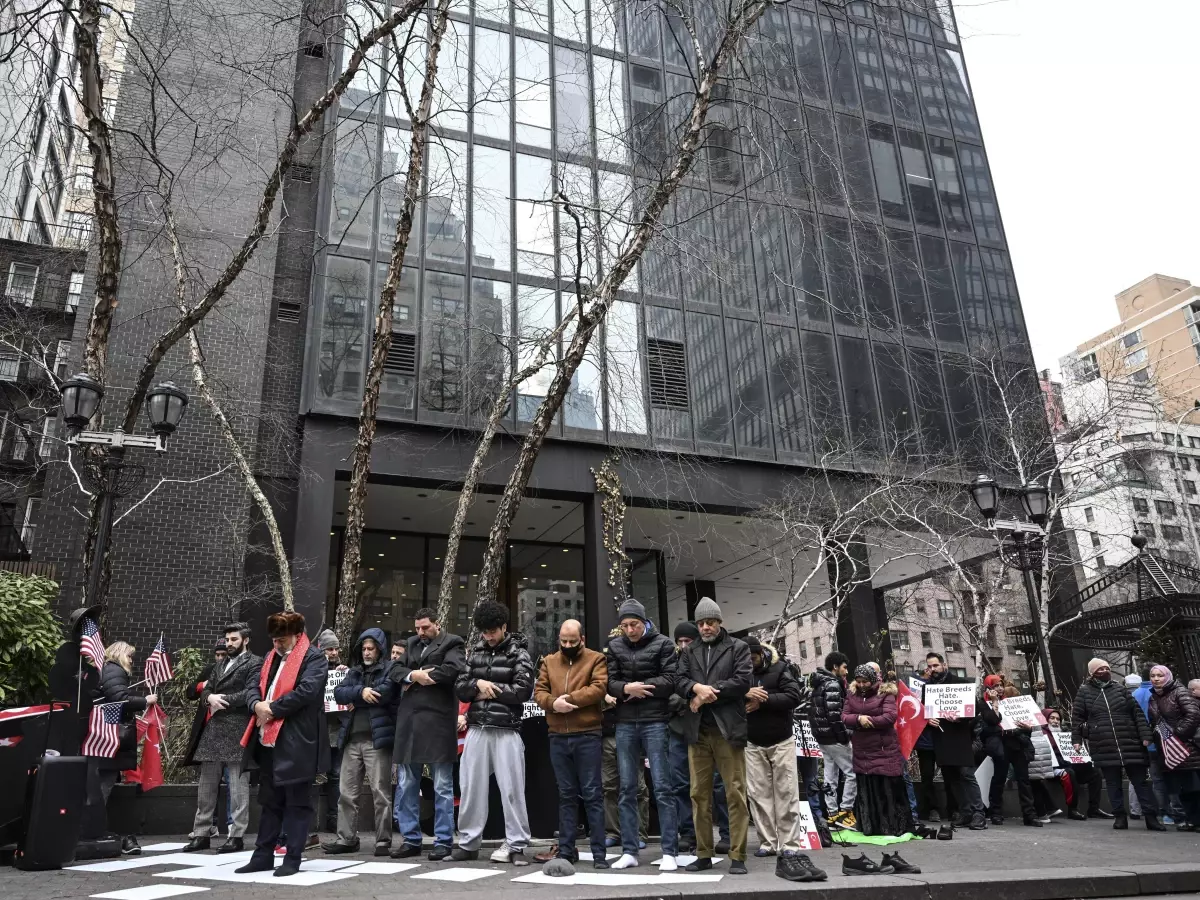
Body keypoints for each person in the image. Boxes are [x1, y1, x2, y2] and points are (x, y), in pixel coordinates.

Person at [235, 611, 329, 877]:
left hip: (298, 741)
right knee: (270, 801)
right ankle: (263, 855)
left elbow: (307, 692)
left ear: (298, 635)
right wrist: (256, 704)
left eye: (283, 639)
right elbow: (253, 684)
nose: (277, 644)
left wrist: (272, 708)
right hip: (268, 740)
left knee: (298, 803)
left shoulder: (314, 658)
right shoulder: (269, 658)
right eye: (275, 639)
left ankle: (293, 858)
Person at [452, 600, 534, 865]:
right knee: (471, 786)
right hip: (478, 726)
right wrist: (478, 684)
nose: (488, 636)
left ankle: (517, 843)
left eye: (492, 631)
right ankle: (468, 842)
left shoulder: (519, 654)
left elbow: (523, 692)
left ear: (503, 627)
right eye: (484, 631)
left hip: (507, 729)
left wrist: (491, 688)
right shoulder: (474, 652)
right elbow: (461, 687)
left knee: (512, 788)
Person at [676, 598, 751, 875]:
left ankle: (739, 854)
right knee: (698, 794)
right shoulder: (689, 651)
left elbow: (742, 681)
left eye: (710, 622)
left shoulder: (738, 647)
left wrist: (707, 694)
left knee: (735, 792)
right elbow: (678, 680)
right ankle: (704, 853)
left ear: (719, 622)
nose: (705, 627)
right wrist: (696, 688)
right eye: (701, 623)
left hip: (727, 730)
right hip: (698, 731)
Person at [606, 598, 680, 870]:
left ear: (644, 622)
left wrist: (640, 687)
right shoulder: (614, 646)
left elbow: (671, 680)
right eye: (624, 625)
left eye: (634, 624)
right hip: (625, 722)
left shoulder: (662, 643)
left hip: (655, 720)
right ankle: (629, 850)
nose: (629, 630)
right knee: (626, 788)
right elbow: (610, 682)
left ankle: (670, 851)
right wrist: (627, 689)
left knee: (662, 786)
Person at [389, 607, 466, 861]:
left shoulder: (453, 642)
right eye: (417, 628)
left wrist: (421, 676)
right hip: (410, 723)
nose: (420, 632)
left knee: (443, 787)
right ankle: (411, 839)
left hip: (438, 723)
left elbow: (451, 670)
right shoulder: (410, 643)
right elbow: (395, 671)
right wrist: (414, 674)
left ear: (437, 624)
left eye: (425, 627)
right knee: (407, 784)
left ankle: (443, 840)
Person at [534, 619, 609, 867]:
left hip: (587, 733)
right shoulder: (548, 661)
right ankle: (566, 851)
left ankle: (599, 854)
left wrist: (569, 700)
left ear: (582, 640)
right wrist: (553, 703)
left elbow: (599, 688)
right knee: (566, 795)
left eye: (572, 641)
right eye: (563, 641)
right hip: (558, 735)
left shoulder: (595, 659)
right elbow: (539, 692)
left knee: (592, 794)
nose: (567, 645)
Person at [183, 623, 260, 853]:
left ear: (245, 640)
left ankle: (236, 835)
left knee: (238, 787)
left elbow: (252, 692)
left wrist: (221, 699)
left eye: (234, 639)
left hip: (238, 728)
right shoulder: (221, 664)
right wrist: (209, 698)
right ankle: (201, 833)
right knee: (206, 786)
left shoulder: (255, 662)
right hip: (214, 727)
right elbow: (206, 690)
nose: (229, 643)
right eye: (227, 639)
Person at [743, 636, 814, 881]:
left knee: (786, 792)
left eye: (752, 659)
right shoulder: (739, 672)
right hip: (752, 742)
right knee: (758, 794)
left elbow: (794, 697)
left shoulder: (781, 668)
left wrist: (763, 701)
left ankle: (789, 843)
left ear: (761, 654)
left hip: (781, 739)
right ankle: (767, 842)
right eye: (745, 660)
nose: (749, 663)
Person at [322, 628, 396, 856]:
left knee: (380, 793)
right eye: (364, 648)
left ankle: (383, 840)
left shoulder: (389, 668)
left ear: (379, 649)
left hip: (377, 741)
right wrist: (362, 691)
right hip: (352, 740)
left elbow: (385, 693)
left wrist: (358, 697)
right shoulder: (353, 672)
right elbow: (339, 693)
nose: (366, 652)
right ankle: (347, 839)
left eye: (371, 648)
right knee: (347, 793)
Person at [1071, 657, 1163, 831]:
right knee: (1113, 783)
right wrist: (1076, 740)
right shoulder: (1084, 692)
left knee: (1140, 782)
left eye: (1107, 668)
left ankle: (1151, 818)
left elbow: (1137, 714)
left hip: (1130, 742)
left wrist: (1145, 736)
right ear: (1092, 673)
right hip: (1104, 744)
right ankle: (1120, 817)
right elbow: (1077, 718)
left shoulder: (1120, 689)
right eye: (1100, 669)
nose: (1105, 671)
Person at [87, 641, 158, 856]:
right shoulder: (114, 670)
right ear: (120, 654)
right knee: (103, 785)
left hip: (100, 738)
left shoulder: (105, 670)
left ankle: (93, 827)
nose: (131, 661)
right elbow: (119, 699)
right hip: (107, 740)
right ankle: (94, 829)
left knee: (102, 782)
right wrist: (144, 700)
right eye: (130, 656)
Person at [841, 664, 915, 840]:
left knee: (886, 787)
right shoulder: (851, 694)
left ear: (872, 680)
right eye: (858, 681)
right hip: (862, 749)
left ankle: (893, 825)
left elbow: (890, 716)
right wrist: (859, 719)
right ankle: (870, 825)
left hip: (884, 748)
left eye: (865, 681)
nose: (861, 685)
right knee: (867, 787)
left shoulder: (886, 693)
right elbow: (844, 716)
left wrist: (869, 721)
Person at [921, 652, 986, 830]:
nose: (932, 669)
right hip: (941, 738)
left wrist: (960, 718)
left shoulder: (961, 683)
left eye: (935, 665)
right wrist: (928, 720)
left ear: (944, 665)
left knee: (966, 775)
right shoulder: (928, 689)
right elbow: (923, 713)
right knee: (951, 777)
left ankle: (978, 813)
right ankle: (965, 812)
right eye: (929, 666)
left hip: (960, 737)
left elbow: (974, 711)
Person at [185, 637, 235, 842]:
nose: (220, 658)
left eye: (224, 654)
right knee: (208, 783)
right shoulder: (209, 671)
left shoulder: (236, 671)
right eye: (218, 654)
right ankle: (209, 825)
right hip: (208, 732)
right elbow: (190, 692)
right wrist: (202, 686)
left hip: (230, 733)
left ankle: (232, 825)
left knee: (233, 781)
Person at [1147, 664, 1200, 830]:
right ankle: (1192, 821)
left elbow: (1193, 714)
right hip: (1169, 749)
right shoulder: (1154, 697)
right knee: (1183, 788)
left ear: (1168, 676)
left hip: (1187, 748)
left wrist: (1178, 734)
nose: (1156, 679)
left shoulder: (1180, 691)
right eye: (1153, 676)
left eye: (1160, 675)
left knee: (1194, 787)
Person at [810, 651, 856, 829]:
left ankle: (832, 814)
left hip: (822, 737)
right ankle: (845, 812)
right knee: (852, 772)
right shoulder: (833, 684)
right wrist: (845, 737)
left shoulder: (818, 683)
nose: (846, 671)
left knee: (830, 776)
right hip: (835, 737)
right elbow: (835, 714)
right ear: (835, 667)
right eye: (844, 667)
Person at [317, 629, 348, 833]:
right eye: (330, 648)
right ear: (321, 649)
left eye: (336, 648)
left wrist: (348, 676)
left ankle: (334, 818)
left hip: (336, 729)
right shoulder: (312, 669)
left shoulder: (345, 671)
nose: (334, 652)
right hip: (316, 729)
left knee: (336, 774)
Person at [977, 675, 1008, 824]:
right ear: (988, 688)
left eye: (1001, 685)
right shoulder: (983, 704)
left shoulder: (1009, 702)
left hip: (1010, 742)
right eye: (996, 686)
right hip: (994, 746)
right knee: (996, 778)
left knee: (1002, 778)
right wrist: (995, 702)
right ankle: (995, 810)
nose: (1000, 688)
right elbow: (993, 720)